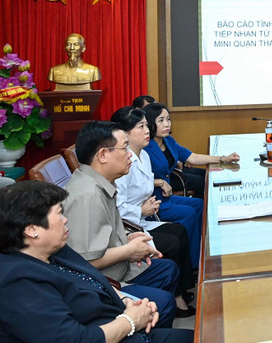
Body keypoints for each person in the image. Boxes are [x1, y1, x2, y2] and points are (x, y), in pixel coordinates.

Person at [0, 181, 193, 343]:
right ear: (32, 229)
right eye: (59, 213)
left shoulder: (54, 249)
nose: (65, 220)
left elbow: (94, 280)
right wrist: (130, 321)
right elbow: (72, 339)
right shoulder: (16, 282)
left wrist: (130, 302)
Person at [64, 121, 182, 326]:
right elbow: (85, 262)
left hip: (119, 267)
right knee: (164, 302)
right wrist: (129, 250)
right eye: (125, 148)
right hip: (104, 283)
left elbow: (102, 233)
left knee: (168, 270)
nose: (130, 155)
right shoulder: (88, 196)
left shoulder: (100, 181)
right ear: (103, 155)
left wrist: (128, 238)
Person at [111, 106, 197, 304]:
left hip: (143, 217)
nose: (147, 130)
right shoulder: (123, 162)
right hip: (127, 226)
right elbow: (116, 206)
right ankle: (177, 299)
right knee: (173, 241)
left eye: (146, 125)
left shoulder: (144, 155)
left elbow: (145, 186)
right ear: (124, 132)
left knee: (179, 231)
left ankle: (182, 291)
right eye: (140, 126)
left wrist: (149, 200)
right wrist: (141, 209)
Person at [143, 103, 240, 200]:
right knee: (202, 183)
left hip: (172, 176)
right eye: (161, 120)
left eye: (168, 119)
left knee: (207, 175)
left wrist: (223, 159)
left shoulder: (168, 140)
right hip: (159, 187)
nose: (167, 124)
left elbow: (193, 157)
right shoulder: (145, 146)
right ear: (150, 123)